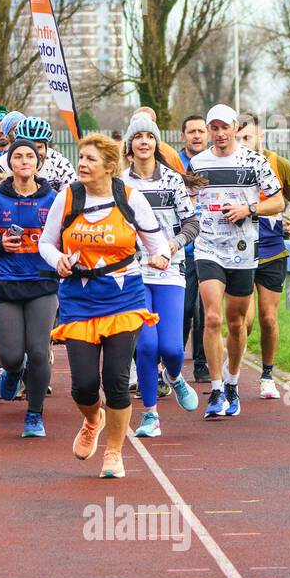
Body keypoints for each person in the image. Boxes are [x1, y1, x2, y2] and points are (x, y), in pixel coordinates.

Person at [41, 133, 172, 477]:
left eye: (90, 159)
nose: (81, 164)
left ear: (110, 168)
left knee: (115, 380)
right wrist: (57, 260)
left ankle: (114, 452)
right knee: (83, 385)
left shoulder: (129, 198)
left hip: (123, 299)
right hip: (79, 300)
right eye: (81, 157)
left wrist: (159, 257)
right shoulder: (68, 197)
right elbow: (46, 242)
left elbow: (156, 243)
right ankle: (92, 419)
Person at [188, 104, 284, 419]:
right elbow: (188, 200)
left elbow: (278, 202)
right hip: (208, 247)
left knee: (236, 323)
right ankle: (215, 390)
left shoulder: (254, 162)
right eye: (212, 128)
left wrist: (249, 209)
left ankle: (232, 381)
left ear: (233, 127)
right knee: (212, 318)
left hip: (243, 248)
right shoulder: (197, 162)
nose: (218, 134)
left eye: (223, 127)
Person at [0, 135, 59, 437]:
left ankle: (34, 415)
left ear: (38, 162)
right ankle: (11, 370)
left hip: (42, 283)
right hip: (4, 283)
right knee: (11, 354)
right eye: (18, 157)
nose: (24, 162)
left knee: (38, 351)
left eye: (30, 157)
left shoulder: (53, 199)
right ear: (10, 162)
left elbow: (64, 236)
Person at [120, 115, 202, 438]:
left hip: (170, 270)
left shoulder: (172, 180)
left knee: (171, 348)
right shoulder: (120, 185)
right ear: (130, 145)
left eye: (149, 137)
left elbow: (192, 224)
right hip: (134, 272)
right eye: (137, 137)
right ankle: (150, 415)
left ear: (156, 144)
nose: (144, 142)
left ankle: (175, 376)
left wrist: (173, 244)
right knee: (147, 346)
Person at [237, 115, 290, 399]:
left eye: (248, 138)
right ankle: (232, 373)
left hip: (271, 251)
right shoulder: (226, 165)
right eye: (238, 138)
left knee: (268, 318)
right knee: (243, 320)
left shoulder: (278, 164)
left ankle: (267, 375)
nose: (242, 144)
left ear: (261, 137)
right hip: (238, 253)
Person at [178, 114, 211, 382]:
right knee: (185, 309)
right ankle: (173, 362)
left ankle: (202, 363)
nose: (197, 135)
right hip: (184, 250)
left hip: (211, 248)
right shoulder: (175, 164)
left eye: (201, 130)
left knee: (205, 310)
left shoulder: (216, 162)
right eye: (192, 131)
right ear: (183, 135)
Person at [0, 116, 78, 190]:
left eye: (39, 147)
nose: (33, 153)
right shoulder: (1, 166)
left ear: (47, 146)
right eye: (28, 147)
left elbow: (72, 200)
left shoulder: (61, 165)